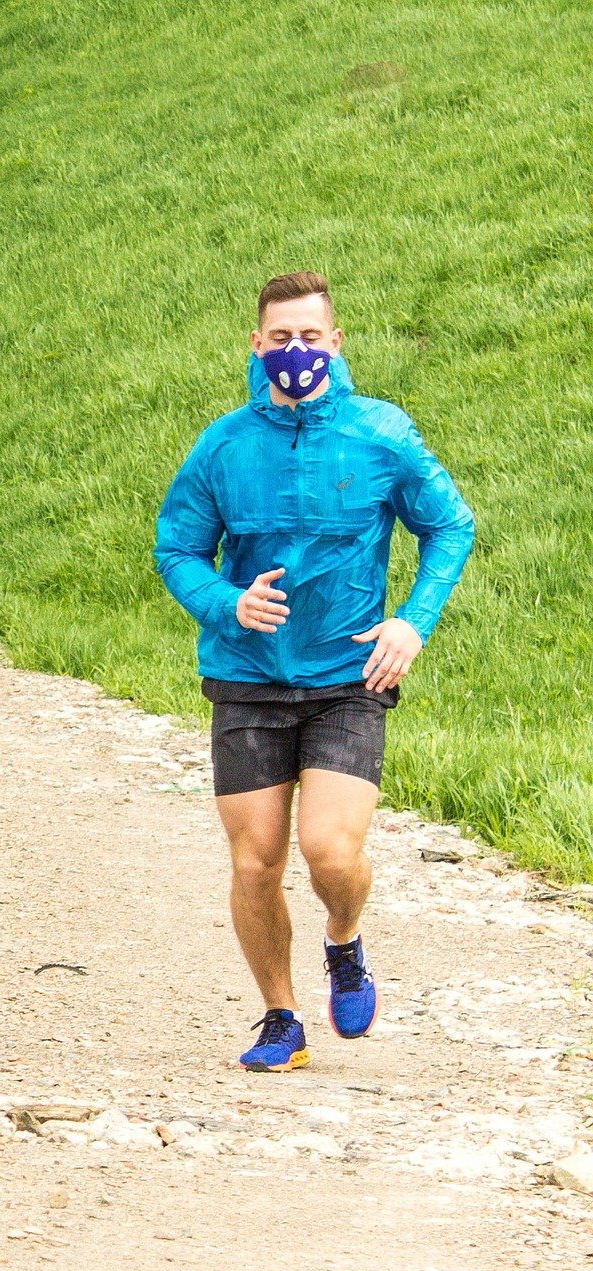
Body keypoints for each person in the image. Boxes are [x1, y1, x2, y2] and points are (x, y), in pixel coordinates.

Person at [153, 271, 475, 1072]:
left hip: (347, 676)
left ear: (335, 343)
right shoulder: (223, 445)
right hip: (247, 675)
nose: (294, 351)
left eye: (309, 336)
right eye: (280, 338)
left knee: (330, 853)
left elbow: (451, 525)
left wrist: (413, 620)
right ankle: (280, 1020)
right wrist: (226, 603)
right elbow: (177, 548)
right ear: (257, 347)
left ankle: (343, 939)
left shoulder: (382, 433)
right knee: (256, 861)